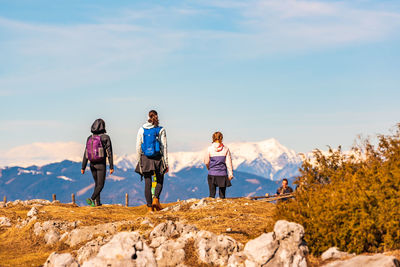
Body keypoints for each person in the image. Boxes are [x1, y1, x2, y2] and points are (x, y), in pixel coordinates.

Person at [135, 110, 169, 212]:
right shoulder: (161, 129)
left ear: (148, 117)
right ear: (157, 117)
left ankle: (150, 208)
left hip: (145, 158)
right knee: (159, 179)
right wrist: (166, 163)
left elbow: (138, 146)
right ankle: (156, 199)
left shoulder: (141, 129)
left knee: (147, 183)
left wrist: (139, 160)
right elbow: (164, 147)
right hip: (158, 158)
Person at [81, 118, 114, 207]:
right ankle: (92, 199)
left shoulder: (89, 138)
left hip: (91, 164)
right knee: (101, 184)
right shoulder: (105, 137)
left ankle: (97, 203)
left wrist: (83, 167)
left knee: (97, 183)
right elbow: (109, 152)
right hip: (101, 164)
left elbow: (86, 153)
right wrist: (111, 166)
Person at [204, 132, 233, 199]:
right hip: (222, 175)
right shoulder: (226, 149)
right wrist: (230, 174)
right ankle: (222, 209)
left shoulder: (209, 149)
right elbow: (229, 162)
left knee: (212, 195)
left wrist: (209, 168)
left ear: (213, 138)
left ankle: (211, 209)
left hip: (212, 174)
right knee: (222, 196)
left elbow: (206, 161)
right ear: (221, 138)